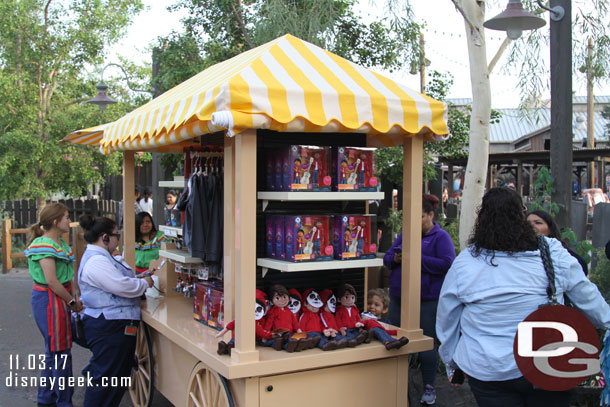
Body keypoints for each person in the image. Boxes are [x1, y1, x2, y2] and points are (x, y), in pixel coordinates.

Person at [436, 187, 610, 407]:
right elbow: (588, 297)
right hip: (548, 363)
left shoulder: (466, 262)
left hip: (488, 368)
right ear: (521, 215)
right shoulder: (552, 251)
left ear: (482, 219)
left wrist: (452, 362)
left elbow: (447, 317)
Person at [384, 194, 456, 405]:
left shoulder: (441, 237)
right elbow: (387, 259)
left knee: (427, 343)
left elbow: (446, 263)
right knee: (393, 339)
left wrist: (416, 258)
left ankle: (429, 386)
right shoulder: (405, 234)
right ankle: (395, 385)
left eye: (420, 216)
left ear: (431, 215)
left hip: (427, 299)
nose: (415, 222)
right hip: (399, 297)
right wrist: (396, 258)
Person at [77, 214, 153, 406]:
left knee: (112, 378)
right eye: (116, 236)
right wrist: (143, 283)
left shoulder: (102, 257)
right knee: (107, 381)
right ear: (104, 237)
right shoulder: (97, 261)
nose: (118, 240)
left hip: (111, 324)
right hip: (109, 326)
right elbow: (121, 286)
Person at [25, 203, 83, 407]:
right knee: (60, 352)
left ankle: (47, 399)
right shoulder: (45, 245)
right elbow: (51, 280)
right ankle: (63, 401)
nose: (69, 220)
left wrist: (74, 290)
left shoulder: (59, 244)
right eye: (66, 217)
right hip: (50, 300)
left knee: (54, 351)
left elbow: (66, 276)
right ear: (55, 221)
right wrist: (72, 301)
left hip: (58, 297)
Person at [527, 209, 588, 274]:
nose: (531, 226)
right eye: (527, 223)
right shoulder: (519, 254)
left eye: (538, 223)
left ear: (550, 229)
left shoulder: (567, 256)